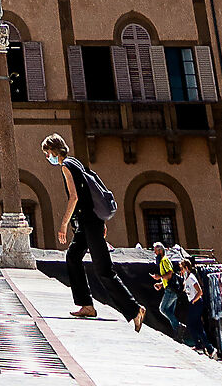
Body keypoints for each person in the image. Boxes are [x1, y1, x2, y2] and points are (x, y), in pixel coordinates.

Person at [41, 132, 145, 332]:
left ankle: (134, 309)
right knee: (73, 257)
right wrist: (100, 220)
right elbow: (91, 193)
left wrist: (63, 224)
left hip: (89, 223)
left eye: (47, 153)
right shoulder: (76, 163)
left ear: (54, 151)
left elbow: (74, 197)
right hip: (88, 223)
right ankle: (86, 305)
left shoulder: (66, 166)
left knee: (104, 270)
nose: (47, 157)